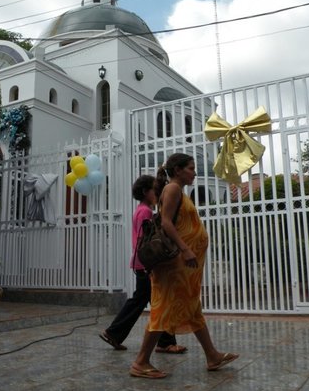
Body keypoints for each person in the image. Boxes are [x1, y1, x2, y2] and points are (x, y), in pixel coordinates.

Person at [129, 153, 239, 379]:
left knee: (192, 307)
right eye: (190, 168)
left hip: (185, 266)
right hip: (175, 263)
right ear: (178, 170)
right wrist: (186, 249)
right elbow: (167, 222)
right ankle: (141, 362)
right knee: (163, 307)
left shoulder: (177, 190)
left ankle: (212, 356)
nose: (195, 172)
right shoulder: (173, 189)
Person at [99, 175, 186, 354]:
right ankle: (117, 333)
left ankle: (117, 333)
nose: (158, 193)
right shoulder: (145, 212)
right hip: (147, 263)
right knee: (154, 300)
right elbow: (147, 240)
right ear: (146, 192)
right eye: (155, 190)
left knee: (149, 300)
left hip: (141, 263)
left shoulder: (142, 210)